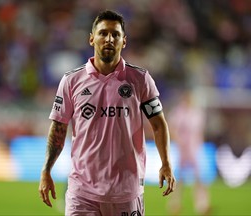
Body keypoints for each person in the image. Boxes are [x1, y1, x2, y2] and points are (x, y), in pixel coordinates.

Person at [39, 10, 176, 216]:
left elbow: (158, 124)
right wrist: (46, 170)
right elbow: (58, 127)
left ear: (124, 41)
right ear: (92, 39)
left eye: (115, 34)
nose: (109, 39)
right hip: (82, 194)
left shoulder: (140, 79)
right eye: (103, 33)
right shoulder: (71, 81)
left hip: (126, 193)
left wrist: (166, 163)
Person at [167, 90, 210, 215]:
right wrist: (179, 141)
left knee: (199, 178)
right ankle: (174, 204)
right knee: (178, 179)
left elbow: (199, 132)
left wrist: (199, 146)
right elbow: (172, 128)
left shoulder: (196, 113)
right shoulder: (178, 112)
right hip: (182, 149)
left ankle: (202, 205)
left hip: (194, 150)